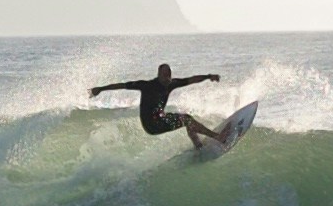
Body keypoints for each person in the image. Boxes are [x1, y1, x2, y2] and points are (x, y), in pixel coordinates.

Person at [90, 61, 231, 149]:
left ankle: (198, 145)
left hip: (161, 119)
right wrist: (101, 89)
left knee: (186, 119)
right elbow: (122, 85)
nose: (167, 78)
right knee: (187, 120)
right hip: (151, 124)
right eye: (164, 75)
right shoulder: (146, 85)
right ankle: (217, 137)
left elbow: (191, 79)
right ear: (158, 74)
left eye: (169, 74)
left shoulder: (171, 84)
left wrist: (208, 76)